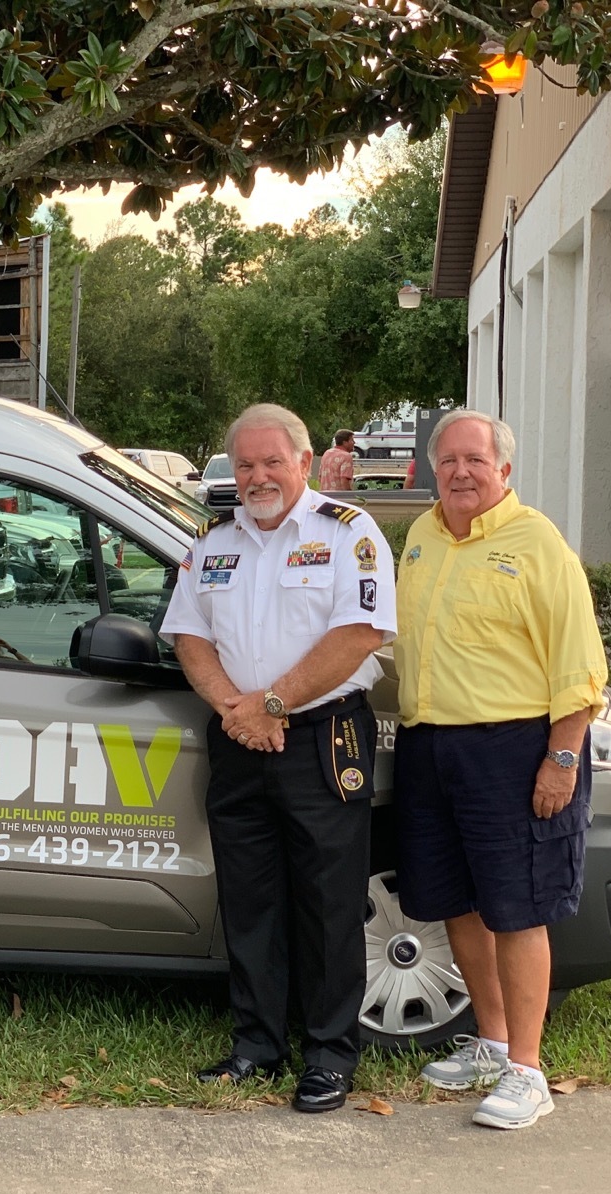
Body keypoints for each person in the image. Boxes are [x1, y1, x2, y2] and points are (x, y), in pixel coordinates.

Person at [160, 403, 396, 1113]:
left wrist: (272, 704)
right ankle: (257, 1046)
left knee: (327, 901)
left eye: (271, 462)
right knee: (250, 898)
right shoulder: (214, 542)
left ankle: (329, 1054)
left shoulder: (348, 533)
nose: (257, 476)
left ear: (303, 460)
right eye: (245, 464)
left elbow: (359, 634)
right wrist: (238, 707)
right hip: (238, 740)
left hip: (322, 738)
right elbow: (188, 636)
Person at [392, 409, 606, 1131]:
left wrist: (563, 757)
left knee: (518, 908)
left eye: (474, 461)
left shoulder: (536, 541)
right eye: (447, 461)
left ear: (503, 471)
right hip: (431, 747)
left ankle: (527, 1070)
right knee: (460, 899)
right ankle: (488, 1043)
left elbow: (578, 665)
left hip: (514, 749)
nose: (459, 473)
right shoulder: (420, 537)